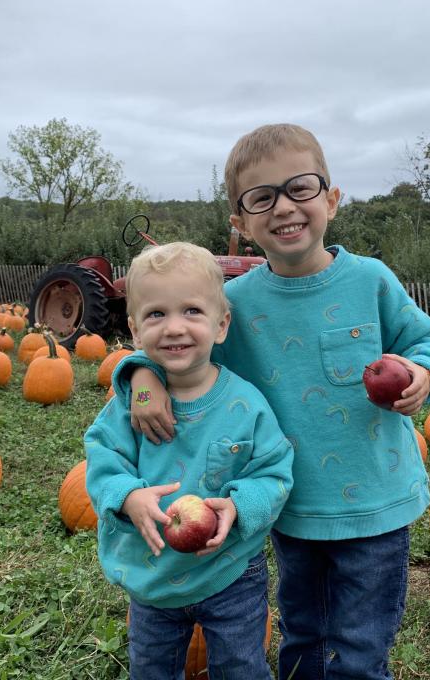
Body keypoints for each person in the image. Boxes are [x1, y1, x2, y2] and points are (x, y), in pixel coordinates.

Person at [117, 124, 430, 680]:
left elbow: (422, 339)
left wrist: (419, 370)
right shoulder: (235, 303)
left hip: (377, 502)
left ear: (332, 199)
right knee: (304, 634)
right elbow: (178, 351)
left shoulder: (371, 280)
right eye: (261, 197)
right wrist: (143, 382)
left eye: (301, 188)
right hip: (291, 511)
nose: (284, 207)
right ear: (241, 224)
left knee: (360, 649)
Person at [84, 241, 294, 680]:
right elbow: (103, 457)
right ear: (136, 332)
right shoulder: (132, 404)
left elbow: (274, 471)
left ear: (222, 325)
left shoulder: (246, 404)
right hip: (153, 571)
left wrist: (238, 506)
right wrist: (127, 497)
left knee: (241, 667)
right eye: (156, 314)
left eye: (192, 312)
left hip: (230, 570)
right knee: (151, 668)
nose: (174, 327)